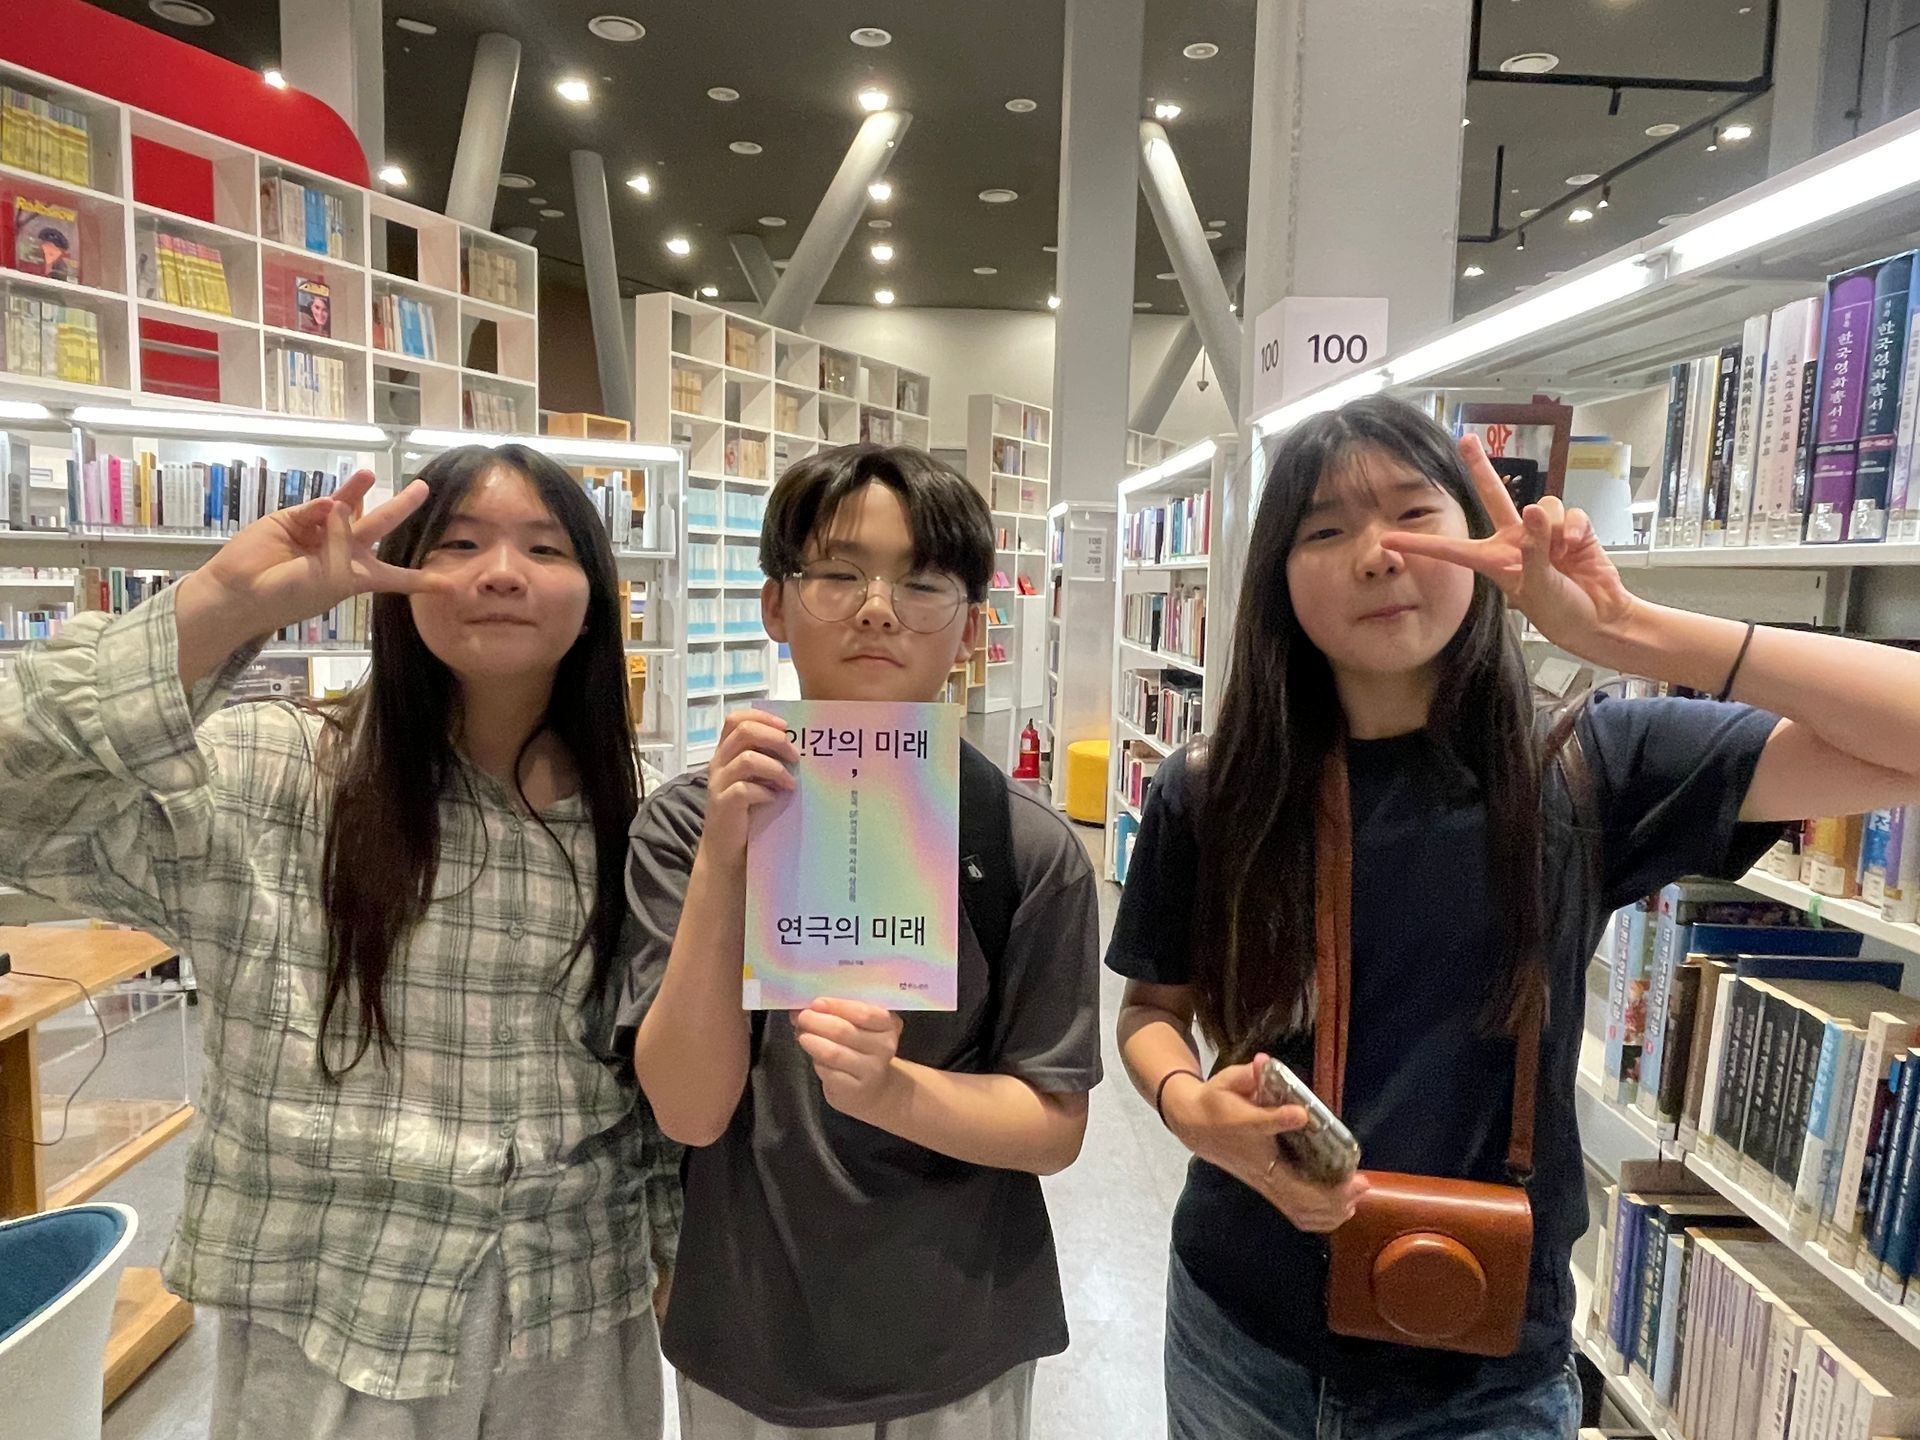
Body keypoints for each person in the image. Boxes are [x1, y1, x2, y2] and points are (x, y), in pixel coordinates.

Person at [1107, 394, 1920, 1440]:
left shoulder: (1587, 765)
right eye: (1325, 529)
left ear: (1481, 541)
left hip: (1480, 1366)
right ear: (1277, 575)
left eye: (1413, 515)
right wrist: (1185, 1105)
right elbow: (1151, 1011)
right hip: (1239, 1335)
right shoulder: (1214, 789)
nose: (1376, 556)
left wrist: (1625, 628)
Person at [0, 445, 678, 1439]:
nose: (501, 572)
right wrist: (220, 606)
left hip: (573, 1315)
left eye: (545, 547)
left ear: (594, 598)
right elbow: (19, 810)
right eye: (459, 544)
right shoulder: (276, 775)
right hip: (337, 1311)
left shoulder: (639, 819)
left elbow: (646, 1087)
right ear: (395, 579)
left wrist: (678, 1263)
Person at [623, 443, 1103, 1439]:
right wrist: (724, 860)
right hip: (752, 1335)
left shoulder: (1023, 847)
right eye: (838, 575)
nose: (878, 609)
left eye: (922, 583)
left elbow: (1053, 1127)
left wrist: (889, 1091)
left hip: (960, 1338)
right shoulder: (685, 827)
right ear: (775, 604)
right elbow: (688, 1108)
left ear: (971, 627)